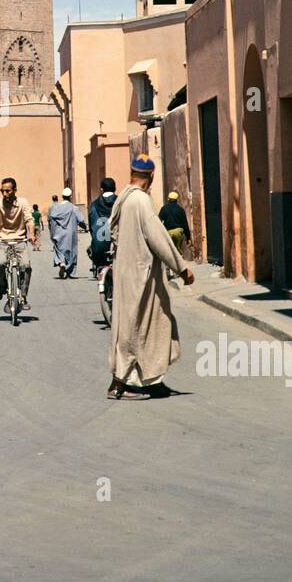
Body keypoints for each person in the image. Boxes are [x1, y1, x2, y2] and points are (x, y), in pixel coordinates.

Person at [107, 154, 195, 400]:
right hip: (141, 277)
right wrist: (181, 267)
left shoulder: (122, 199)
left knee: (143, 324)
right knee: (136, 327)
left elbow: (113, 232)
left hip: (126, 273)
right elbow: (158, 238)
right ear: (152, 177)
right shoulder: (141, 202)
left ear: (132, 173)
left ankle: (152, 380)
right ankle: (121, 383)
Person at [0, 177, 34, 307]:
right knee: (0, 263)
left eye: (7, 191)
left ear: (15, 190)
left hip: (20, 240)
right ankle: (2, 284)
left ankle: (23, 296)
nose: (4, 194)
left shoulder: (23, 203)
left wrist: (32, 234)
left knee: (27, 266)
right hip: (2, 241)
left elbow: (29, 220)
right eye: (2, 191)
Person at [47, 187, 87, 279]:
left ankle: (61, 262)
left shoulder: (56, 208)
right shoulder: (74, 208)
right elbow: (80, 220)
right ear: (70, 197)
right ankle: (70, 272)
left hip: (58, 233)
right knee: (72, 252)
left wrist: (52, 234)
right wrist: (85, 228)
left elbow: (52, 221)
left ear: (62, 196)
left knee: (59, 250)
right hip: (70, 234)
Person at [88, 177, 117, 273]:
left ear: (102, 189)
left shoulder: (94, 205)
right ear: (115, 188)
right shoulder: (121, 203)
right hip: (118, 247)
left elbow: (91, 227)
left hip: (99, 247)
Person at [159, 190, 191, 257]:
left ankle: (169, 265)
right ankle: (180, 263)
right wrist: (188, 237)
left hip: (168, 231)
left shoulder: (164, 208)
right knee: (177, 249)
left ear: (168, 199)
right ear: (177, 200)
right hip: (178, 231)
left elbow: (159, 220)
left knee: (169, 249)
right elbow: (185, 224)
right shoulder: (180, 210)